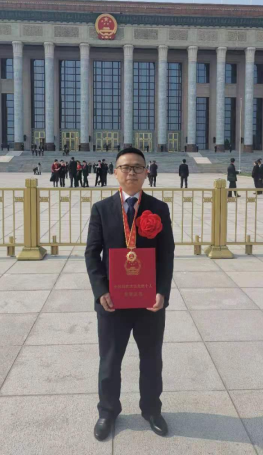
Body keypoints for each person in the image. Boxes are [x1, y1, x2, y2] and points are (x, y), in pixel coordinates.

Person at [85, 147, 174, 441]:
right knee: (109, 360)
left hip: (149, 302)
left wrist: (162, 292)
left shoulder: (159, 209)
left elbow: (166, 255)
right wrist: (100, 291)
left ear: (146, 172)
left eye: (137, 167)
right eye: (125, 167)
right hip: (113, 301)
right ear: (115, 173)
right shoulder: (101, 209)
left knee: (152, 359)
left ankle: (152, 410)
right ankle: (107, 411)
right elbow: (91, 254)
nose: (131, 172)